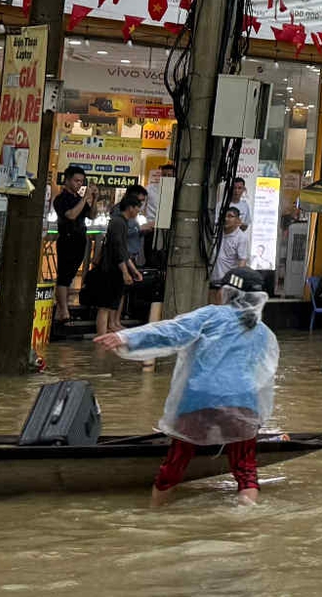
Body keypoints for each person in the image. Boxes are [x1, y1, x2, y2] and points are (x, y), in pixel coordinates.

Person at [96, 267, 279, 506]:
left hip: (200, 400)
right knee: (245, 470)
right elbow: (264, 376)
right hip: (243, 404)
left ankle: (155, 512)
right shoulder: (263, 332)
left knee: (176, 462)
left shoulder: (211, 315)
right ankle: (247, 511)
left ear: (227, 293)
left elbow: (171, 332)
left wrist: (125, 338)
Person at [82, 194, 144, 335]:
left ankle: (103, 336)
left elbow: (122, 250)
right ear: (130, 208)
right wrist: (126, 272)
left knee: (108, 305)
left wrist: (133, 270)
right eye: (137, 208)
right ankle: (101, 337)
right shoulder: (118, 222)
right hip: (110, 269)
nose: (138, 211)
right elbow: (118, 249)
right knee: (105, 306)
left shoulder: (121, 222)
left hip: (113, 268)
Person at [51, 166, 93, 320]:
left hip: (80, 239)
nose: (79, 184)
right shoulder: (61, 199)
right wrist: (84, 199)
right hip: (67, 239)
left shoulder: (78, 198)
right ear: (67, 180)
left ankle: (60, 310)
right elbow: (71, 215)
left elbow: (91, 215)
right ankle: (64, 311)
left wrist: (94, 198)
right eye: (76, 181)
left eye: (81, 181)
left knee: (71, 276)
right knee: (64, 276)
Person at [211, 208, 250, 304]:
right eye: (224, 216)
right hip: (212, 279)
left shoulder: (241, 237)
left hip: (227, 282)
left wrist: (233, 284)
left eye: (230, 216)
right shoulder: (216, 232)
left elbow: (242, 262)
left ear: (238, 220)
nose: (226, 219)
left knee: (223, 308)